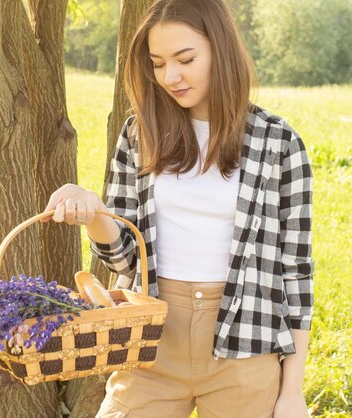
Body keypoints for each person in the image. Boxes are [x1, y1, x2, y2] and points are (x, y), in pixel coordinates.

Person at [43, 0, 313, 416]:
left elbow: (295, 273)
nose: (170, 77)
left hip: (246, 348)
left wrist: (292, 391)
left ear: (220, 51)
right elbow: (124, 259)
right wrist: (95, 214)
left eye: (185, 59)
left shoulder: (278, 143)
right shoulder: (140, 133)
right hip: (151, 341)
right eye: (158, 63)